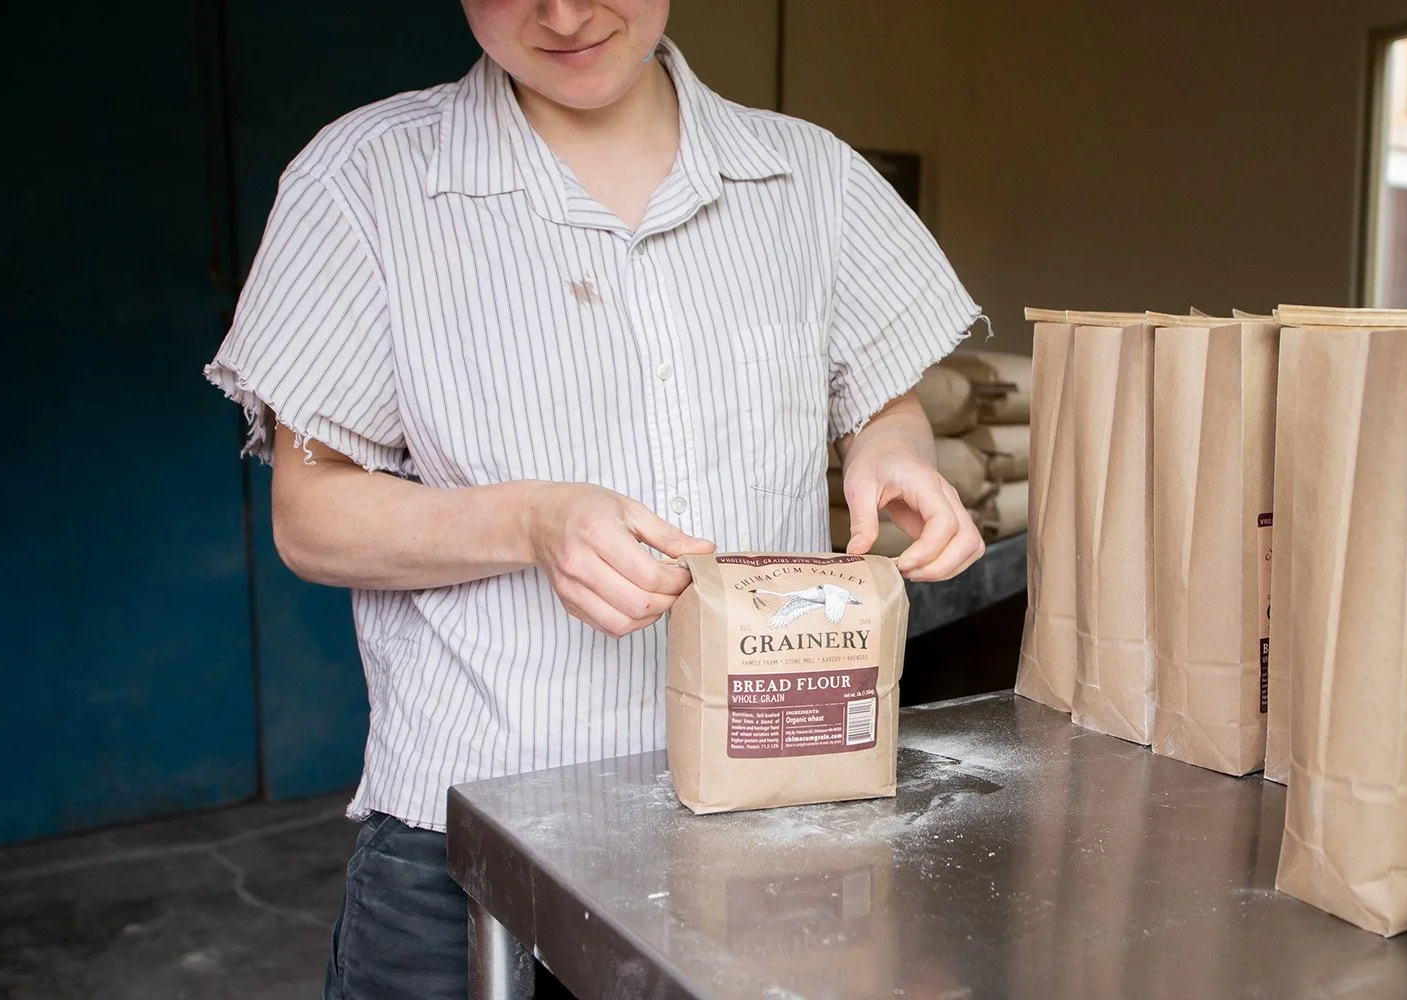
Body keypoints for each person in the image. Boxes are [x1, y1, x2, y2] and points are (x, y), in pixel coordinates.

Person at [205, 2, 986, 996]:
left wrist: (894, 453)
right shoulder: (368, 178)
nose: (565, 12)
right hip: (468, 839)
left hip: (774, 810)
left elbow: (886, 407)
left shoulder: (807, 177)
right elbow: (310, 517)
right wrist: (531, 522)